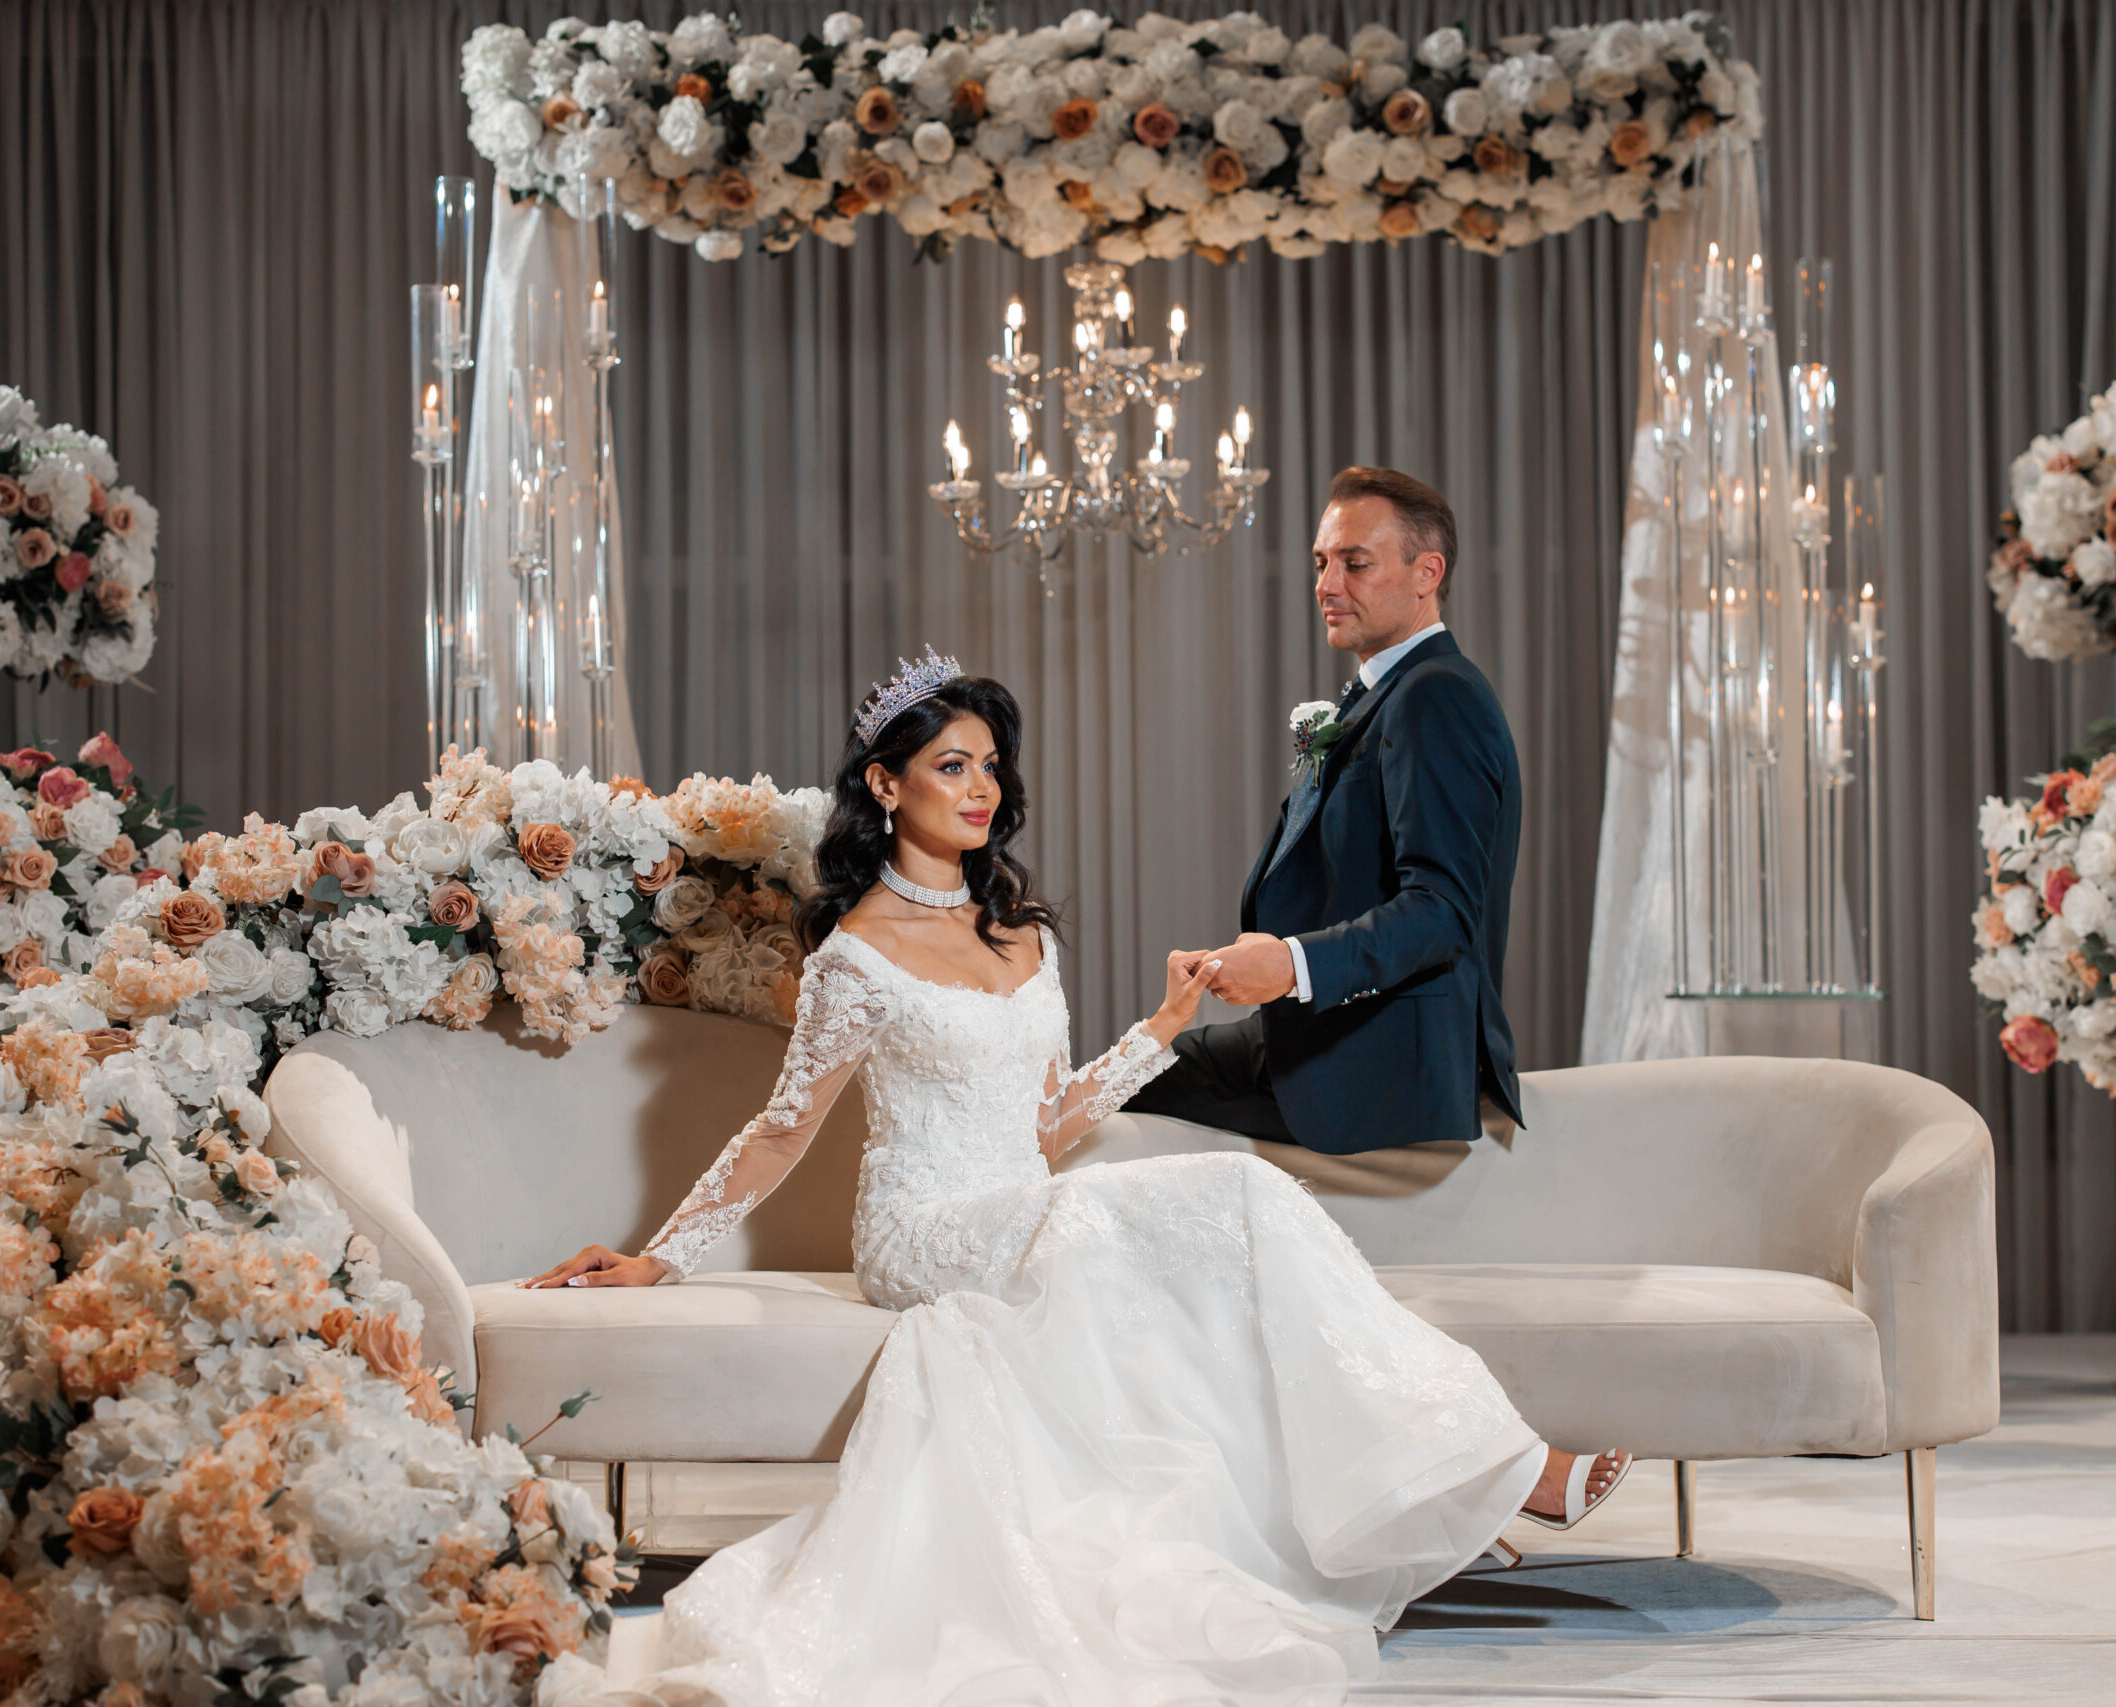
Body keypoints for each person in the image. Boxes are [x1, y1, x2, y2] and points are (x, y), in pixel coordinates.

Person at [527, 656, 1629, 1704]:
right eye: (950, 763)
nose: (980, 786)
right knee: (1225, 1199)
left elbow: (1047, 1126)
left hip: (1024, 1200)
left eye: (989, 764)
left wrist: (1163, 1028)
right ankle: (1489, 1467)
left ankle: (1440, 1471)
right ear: (883, 782)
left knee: (1215, 1225)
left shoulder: (1023, 936)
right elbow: (781, 1129)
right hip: (923, 1229)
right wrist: (656, 1258)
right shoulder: (853, 956)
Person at [1131, 465, 1524, 1156]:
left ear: (1426, 572)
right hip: (1315, 1031)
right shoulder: (1385, 691)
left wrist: (1290, 964)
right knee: (1118, 1074)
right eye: (1321, 562)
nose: (1326, 585)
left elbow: (1442, 911)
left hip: (1378, 1067)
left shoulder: (1437, 696)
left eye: (1355, 563)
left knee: (1114, 1094)